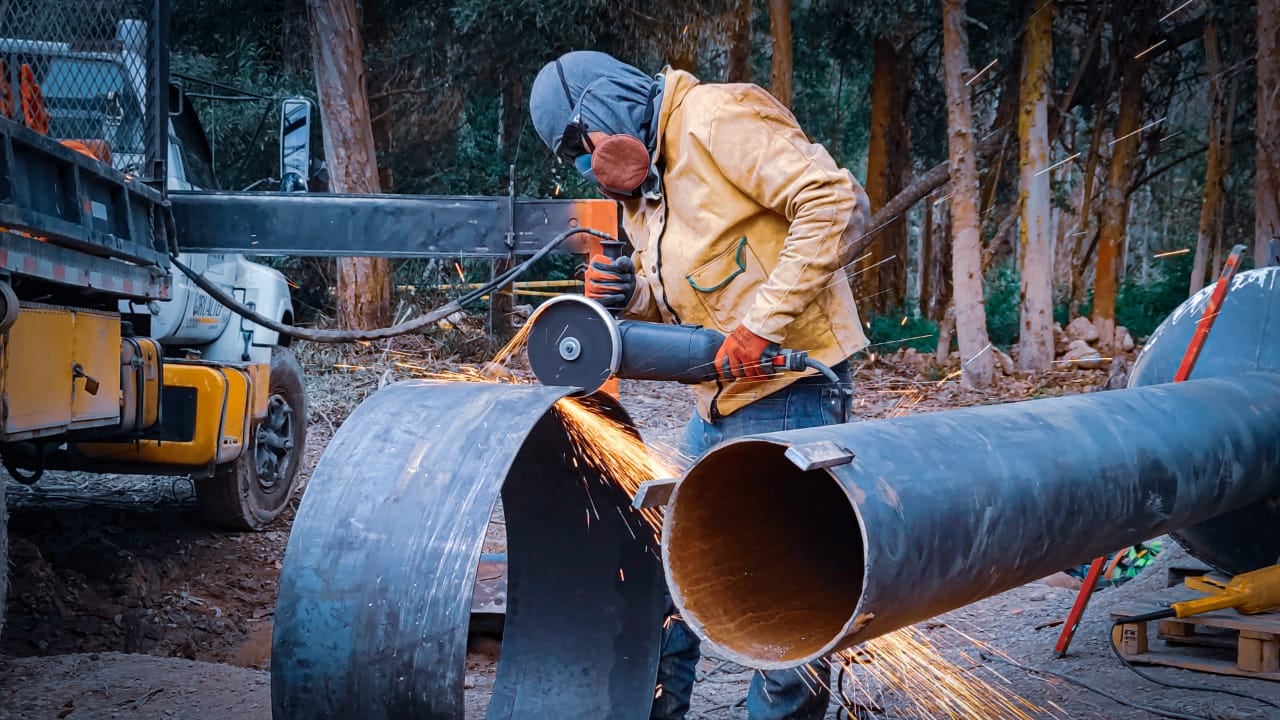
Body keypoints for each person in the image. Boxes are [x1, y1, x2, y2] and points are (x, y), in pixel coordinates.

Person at [529, 50, 871, 720]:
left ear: (603, 106)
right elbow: (677, 299)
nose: (587, 164)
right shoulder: (646, 188)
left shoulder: (717, 117)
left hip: (792, 391)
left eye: (581, 144)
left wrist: (762, 325)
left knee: (786, 596)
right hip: (716, 405)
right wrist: (625, 297)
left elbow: (835, 201)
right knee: (670, 576)